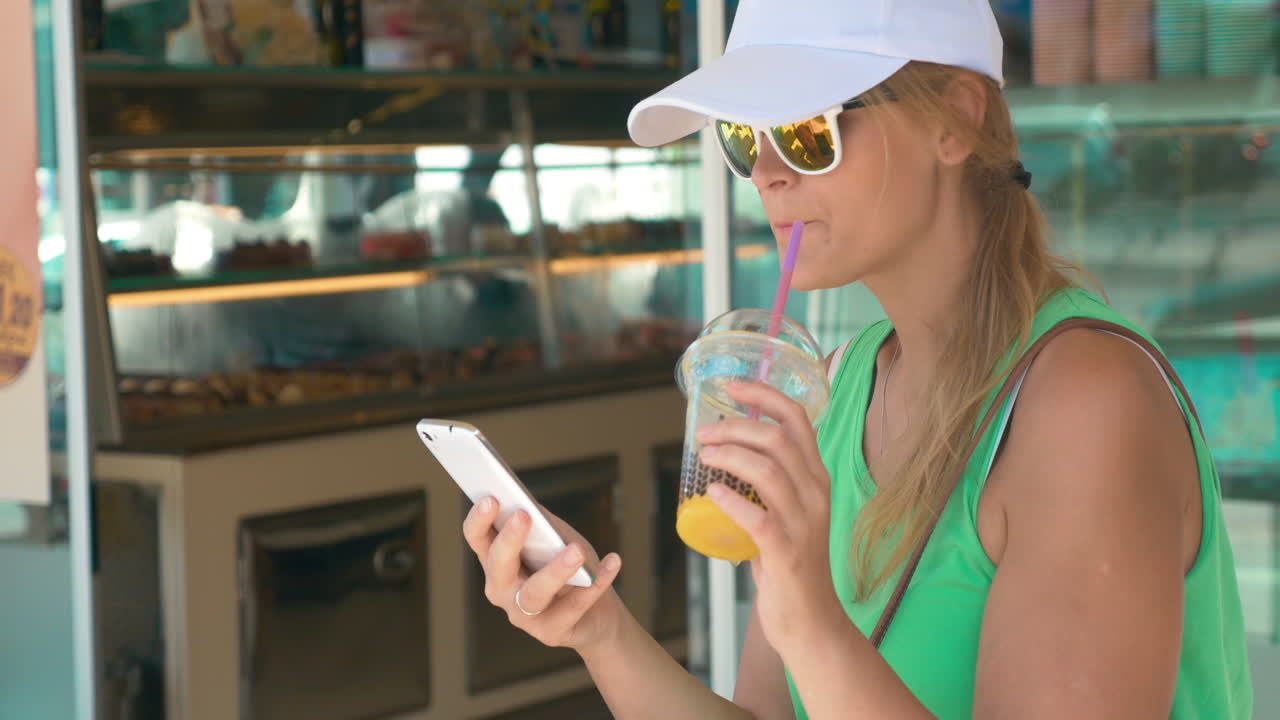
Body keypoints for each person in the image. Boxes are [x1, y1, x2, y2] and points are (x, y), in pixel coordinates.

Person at [460, 0, 1254, 717]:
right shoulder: (835, 385)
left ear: (956, 120)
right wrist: (601, 629)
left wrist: (810, 621)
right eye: (743, 135)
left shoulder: (1084, 404)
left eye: (808, 130)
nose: (767, 172)